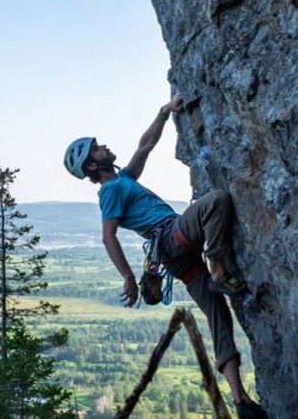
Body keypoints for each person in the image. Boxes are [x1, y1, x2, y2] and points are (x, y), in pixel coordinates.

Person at [63, 94, 268, 419]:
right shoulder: (111, 191)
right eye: (97, 148)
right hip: (171, 238)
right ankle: (216, 264)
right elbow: (107, 235)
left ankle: (241, 400)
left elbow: (145, 146)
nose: (104, 147)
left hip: (174, 257)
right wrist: (128, 277)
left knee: (218, 315)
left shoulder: (123, 179)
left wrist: (163, 113)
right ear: (92, 164)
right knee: (215, 201)